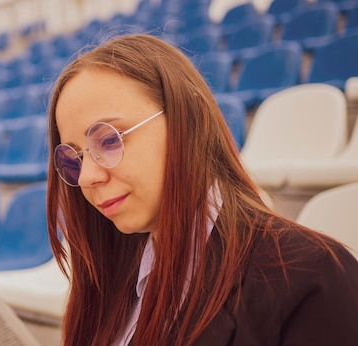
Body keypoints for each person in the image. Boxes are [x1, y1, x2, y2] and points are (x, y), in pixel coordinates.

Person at [45, 33, 358, 345]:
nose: (86, 177)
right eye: (73, 158)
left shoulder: (313, 276)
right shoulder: (109, 279)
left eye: (110, 139)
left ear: (192, 118)